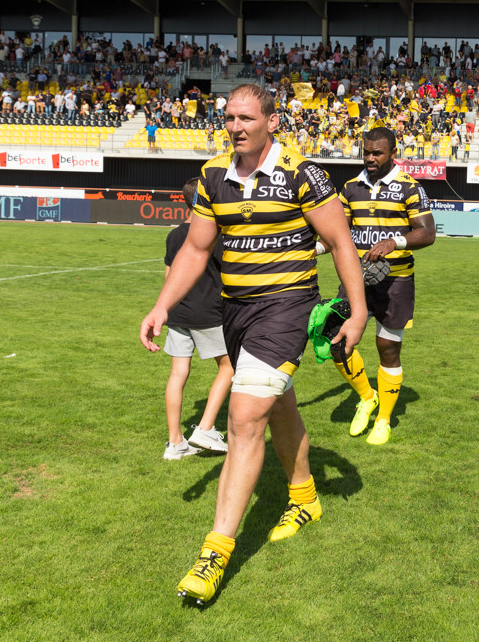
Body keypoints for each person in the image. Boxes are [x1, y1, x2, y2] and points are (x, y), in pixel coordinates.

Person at [140, 83, 367, 605]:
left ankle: (213, 553)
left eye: (245, 117)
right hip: (235, 311)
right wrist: (160, 306)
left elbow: (339, 243)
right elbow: (196, 251)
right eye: (229, 118)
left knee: (243, 419)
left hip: (286, 308)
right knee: (276, 402)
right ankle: (305, 496)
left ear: (270, 121)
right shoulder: (213, 174)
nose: (236, 126)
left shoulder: (302, 173)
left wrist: (356, 312)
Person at [324, 127, 436, 445]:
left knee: (387, 348)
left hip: (395, 281)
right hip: (354, 279)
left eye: (378, 153)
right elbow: (338, 233)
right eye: (367, 152)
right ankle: (367, 396)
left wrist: (394, 241)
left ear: (392, 153)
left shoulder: (409, 188)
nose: (370, 158)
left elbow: (427, 232)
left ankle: (384, 418)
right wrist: (314, 251)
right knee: (337, 342)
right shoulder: (349, 187)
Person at [161, 177, 233, 460]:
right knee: (229, 367)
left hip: (177, 313)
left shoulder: (174, 235)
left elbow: (169, 278)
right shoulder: (217, 234)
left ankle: (174, 442)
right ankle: (205, 427)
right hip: (209, 313)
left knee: (178, 374)